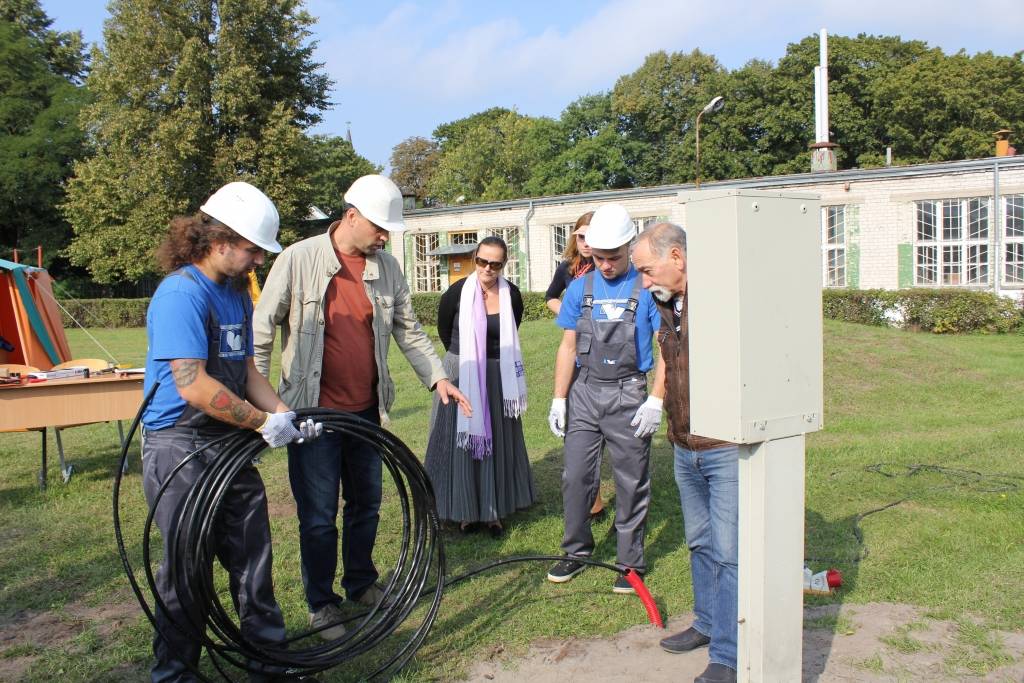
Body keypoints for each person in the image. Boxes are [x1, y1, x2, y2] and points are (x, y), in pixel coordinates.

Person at [253, 174, 471, 640]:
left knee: (367, 504)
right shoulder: (298, 260)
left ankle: (361, 583)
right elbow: (262, 332)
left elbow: (408, 329)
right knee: (317, 514)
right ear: (351, 216)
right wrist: (260, 405)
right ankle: (322, 605)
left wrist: (438, 377)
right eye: (379, 227)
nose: (385, 236)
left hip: (366, 412)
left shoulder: (387, 267)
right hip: (311, 415)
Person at [141, 181, 320, 682]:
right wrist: (263, 424)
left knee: (252, 557)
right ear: (219, 240)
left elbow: (245, 373)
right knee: (187, 569)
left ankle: (269, 662)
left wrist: (283, 414)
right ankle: (175, 675)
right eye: (252, 249)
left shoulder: (236, 292)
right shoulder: (181, 294)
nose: (259, 259)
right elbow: (192, 385)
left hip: (225, 442)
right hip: (178, 445)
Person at [631, 222, 738, 683]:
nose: (644, 281)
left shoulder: (720, 301)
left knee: (730, 552)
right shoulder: (670, 306)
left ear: (677, 257)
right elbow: (667, 360)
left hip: (724, 448)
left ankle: (729, 656)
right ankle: (707, 623)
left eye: (648, 270)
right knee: (699, 541)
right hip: (684, 444)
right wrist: (658, 403)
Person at [545, 203, 665, 594]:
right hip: (585, 390)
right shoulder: (580, 287)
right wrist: (559, 399)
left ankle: (630, 562)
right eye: (598, 257)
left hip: (629, 393)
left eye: (613, 257)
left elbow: (667, 347)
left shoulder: (645, 288)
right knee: (576, 475)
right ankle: (576, 551)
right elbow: (567, 347)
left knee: (631, 480)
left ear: (630, 246)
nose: (606, 265)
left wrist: (656, 399)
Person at [424, 236, 535, 537]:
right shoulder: (457, 292)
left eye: (495, 263)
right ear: (475, 258)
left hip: (499, 376)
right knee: (460, 443)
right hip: (462, 371)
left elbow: (512, 329)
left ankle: (493, 511)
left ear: (504, 264)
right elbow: (444, 330)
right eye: (482, 261)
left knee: (496, 442)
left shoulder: (511, 293)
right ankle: (463, 510)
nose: (488, 268)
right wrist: (467, 362)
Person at [545, 211, 606, 521]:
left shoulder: (608, 265)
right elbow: (549, 296)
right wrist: (569, 314)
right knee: (579, 428)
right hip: (576, 351)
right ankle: (592, 500)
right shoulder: (569, 267)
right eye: (580, 236)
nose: (585, 242)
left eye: (590, 236)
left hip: (608, 353)